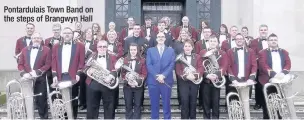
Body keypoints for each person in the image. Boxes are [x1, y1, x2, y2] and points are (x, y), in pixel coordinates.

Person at [51, 27, 85, 119]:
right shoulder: (56, 46)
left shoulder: (80, 45)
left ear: (72, 35)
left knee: (73, 100)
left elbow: (81, 62)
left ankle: (73, 118)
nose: (67, 34)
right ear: (62, 34)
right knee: (61, 100)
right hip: (60, 76)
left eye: (69, 33)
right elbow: (53, 61)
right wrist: (54, 74)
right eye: (65, 33)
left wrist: (78, 73)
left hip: (73, 76)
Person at [18, 32, 51, 119]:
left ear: (41, 39)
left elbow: (48, 64)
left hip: (40, 79)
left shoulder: (47, 50)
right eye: (34, 38)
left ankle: (43, 118)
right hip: (27, 79)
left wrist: (38, 72)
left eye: (38, 38)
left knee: (41, 101)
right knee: (27, 101)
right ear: (32, 39)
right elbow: (20, 64)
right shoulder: (25, 50)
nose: (36, 39)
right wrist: (24, 73)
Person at [258, 33, 291, 119]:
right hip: (267, 80)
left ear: (277, 41)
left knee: (279, 103)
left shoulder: (284, 52)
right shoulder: (262, 53)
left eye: (275, 40)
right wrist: (274, 74)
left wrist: (283, 73)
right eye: (271, 40)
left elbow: (288, 64)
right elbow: (263, 64)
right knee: (267, 104)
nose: (273, 41)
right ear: (268, 42)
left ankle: (279, 117)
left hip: (281, 80)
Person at [84, 40, 118, 119]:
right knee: (92, 108)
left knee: (109, 107)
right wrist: (89, 70)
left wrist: (111, 76)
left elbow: (117, 69)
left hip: (107, 84)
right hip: (93, 84)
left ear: (107, 47)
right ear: (97, 47)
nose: (102, 48)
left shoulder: (112, 56)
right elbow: (84, 67)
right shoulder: (91, 56)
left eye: (104, 46)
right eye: (100, 46)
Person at [146, 32, 175, 119]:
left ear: (165, 38)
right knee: (154, 104)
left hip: (166, 81)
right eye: (159, 37)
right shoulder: (150, 50)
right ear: (156, 39)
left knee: (166, 104)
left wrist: (163, 76)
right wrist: (157, 76)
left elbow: (171, 64)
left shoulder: (171, 50)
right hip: (153, 81)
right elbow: (149, 64)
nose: (161, 38)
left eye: (162, 37)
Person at [200, 35, 228, 119]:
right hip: (206, 81)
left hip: (216, 81)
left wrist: (216, 75)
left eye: (214, 41)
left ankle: (216, 118)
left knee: (216, 103)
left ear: (217, 43)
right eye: (211, 41)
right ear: (208, 42)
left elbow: (224, 65)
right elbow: (200, 66)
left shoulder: (222, 53)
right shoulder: (202, 52)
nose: (212, 43)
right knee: (206, 103)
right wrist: (207, 75)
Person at [175, 40, 203, 119]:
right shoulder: (179, 57)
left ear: (192, 47)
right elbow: (178, 70)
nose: (187, 48)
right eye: (186, 46)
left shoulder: (197, 57)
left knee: (193, 102)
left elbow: (200, 68)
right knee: (184, 102)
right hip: (183, 83)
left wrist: (195, 76)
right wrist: (186, 76)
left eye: (189, 46)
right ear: (183, 47)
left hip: (194, 82)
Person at [121, 43, 147, 119]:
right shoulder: (125, 60)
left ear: (137, 50)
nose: (133, 51)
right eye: (131, 50)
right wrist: (128, 81)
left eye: (134, 50)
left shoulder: (142, 60)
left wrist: (137, 82)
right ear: (129, 50)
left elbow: (144, 73)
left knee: (138, 105)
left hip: (138, 86)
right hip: (127, 86)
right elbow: (122, 74)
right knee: (128, 105)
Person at [249, 24, 269, 110]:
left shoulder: (271, 40)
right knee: (258, 86)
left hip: (269, 68)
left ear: (267, 31)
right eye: (261, 30)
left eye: (265, 30)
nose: (263, 31)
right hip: (258, 67)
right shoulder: (253, 42)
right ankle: (258, 103)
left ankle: (268, 102)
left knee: (269, 85)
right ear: (259, 31)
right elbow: (252, 54)